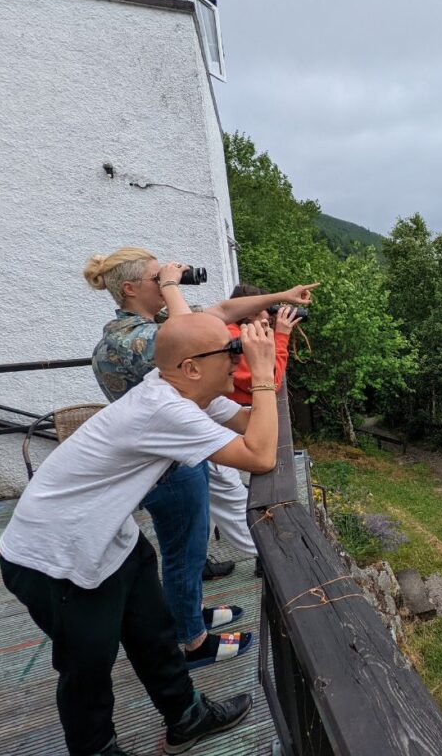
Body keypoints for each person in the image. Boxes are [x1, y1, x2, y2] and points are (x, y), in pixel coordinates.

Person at [0, 314, 279, 756]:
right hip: (53, 556)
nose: (236, 361)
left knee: (156, 634)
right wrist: (262, 376)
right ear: (191, 367)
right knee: (87, 669)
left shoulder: (182, 390)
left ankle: (187, 716)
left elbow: (248, 423)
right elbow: (260, 455)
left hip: (111, 538)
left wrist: (270, 357)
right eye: (229, 353)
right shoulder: (163, 408)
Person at [84, 247, 318, 667]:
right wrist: (263, 369)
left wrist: (280, 295)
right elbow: (195, 331)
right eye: (159, 278)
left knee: (186, 554)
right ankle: (192, 640)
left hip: (172, 456)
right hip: (167, 469)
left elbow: (224, 309)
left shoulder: (148, 330)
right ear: (132, 288)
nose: (228, 359)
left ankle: (187, 616)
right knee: (183, 554)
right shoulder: (138, 341)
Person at [208, 285, 301, 559]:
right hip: (227, 420)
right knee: (231, 494)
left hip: (226, 415)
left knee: (210, 498)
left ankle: (204, 561)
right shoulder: (234, 338)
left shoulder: (242, 334)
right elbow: (269, 380)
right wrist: (281, 336)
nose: (267, 315)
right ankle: (269, 556)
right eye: (262, 308)